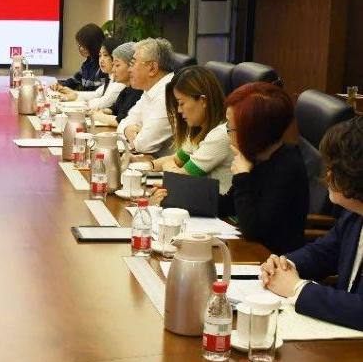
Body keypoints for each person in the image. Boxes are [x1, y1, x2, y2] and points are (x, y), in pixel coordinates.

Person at [261, 117, 363, 331]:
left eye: (335, 168)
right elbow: (322, 253)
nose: (327, 175)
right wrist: (284, 265)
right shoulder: (354, 215)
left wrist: (298, 289)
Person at [225, 82, 308, 255]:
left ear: (252, 132)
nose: (227, 134)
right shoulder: (256, 155)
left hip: (274, 259)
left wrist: (242, 176)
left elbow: (253, 230)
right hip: (251, 251)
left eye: (230, 128)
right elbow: (228, 205)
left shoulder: (288, 168)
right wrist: (176, 194)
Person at [146, 66, 234, 194]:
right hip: (199, 198)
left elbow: (180, 178)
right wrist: (147, 167)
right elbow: (176, 160)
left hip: (218, 205)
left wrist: (167, 166)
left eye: (181, 103)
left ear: (203, 101)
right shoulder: (200, 130)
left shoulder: (220, 135)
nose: (179, 110)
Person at [118, 38, 175, 155]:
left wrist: (134, 131)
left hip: (164, 164)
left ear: (152, 68)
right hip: (149, 159)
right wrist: (128, 129)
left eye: (132, 63)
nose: (129, 69)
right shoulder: (151, 88)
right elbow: (124, 123)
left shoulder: (169, 93)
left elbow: (144, 145)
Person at [58, 36, 124, 109]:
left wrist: (80, 100)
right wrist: (74, 94)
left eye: (105, 55)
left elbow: (103, 103)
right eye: (100, 55)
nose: (101, 60)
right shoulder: (110, 78)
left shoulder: (120, 82)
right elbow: (96, 94)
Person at [54, 23, 106, 91]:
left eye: (84, 45)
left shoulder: (103, 66)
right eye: (80, 45)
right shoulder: (87, 63)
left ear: (94, 44)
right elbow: (74, 80)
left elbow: (97, 94)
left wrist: (74, 93)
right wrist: (59, 85)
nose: (81, 49)